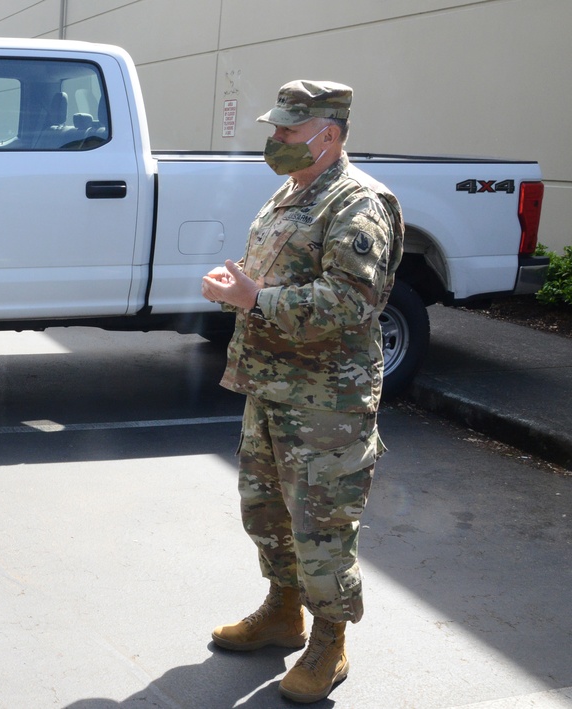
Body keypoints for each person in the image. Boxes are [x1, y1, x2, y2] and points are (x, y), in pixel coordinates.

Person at [201, 80, 403, 703]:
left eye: (289, 131)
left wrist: (253, 298)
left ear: (329, 135)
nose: (277, 140)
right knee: (266, 513)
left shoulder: (358, 204)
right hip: (272, 386)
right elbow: (272, 273)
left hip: (326, 402)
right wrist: (238, 284)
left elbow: (351, 303)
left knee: (322, 527)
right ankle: (283, 612)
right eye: (278, 128)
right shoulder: (293, 191)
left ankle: (329, 642)